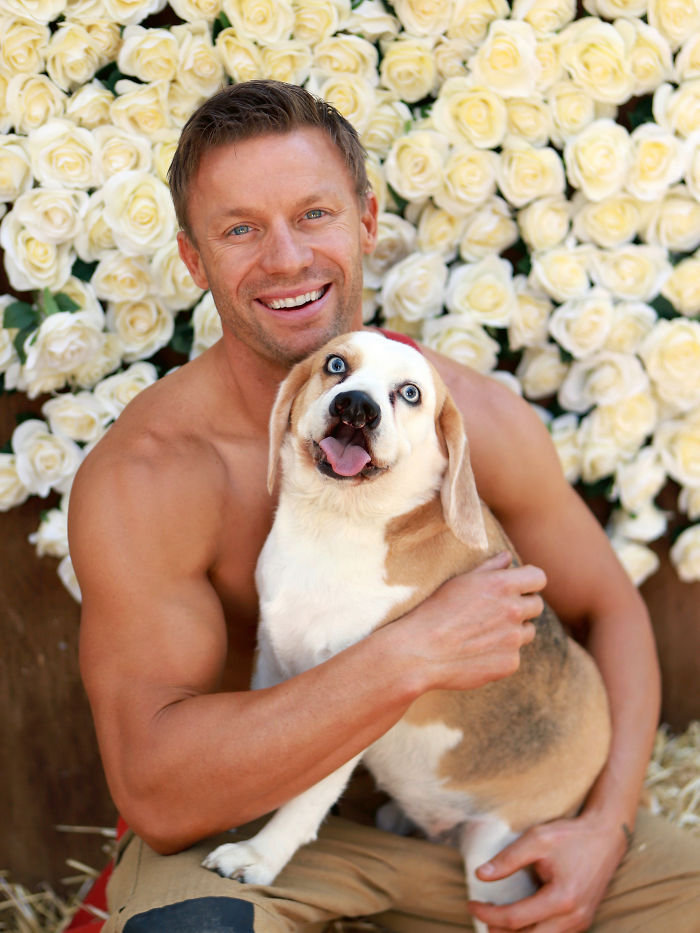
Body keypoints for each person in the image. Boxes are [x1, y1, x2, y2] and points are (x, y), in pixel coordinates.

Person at [68, 80, 700, 933]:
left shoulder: (465, 419)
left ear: (366, 223)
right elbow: (158, 792)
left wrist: (605, 825)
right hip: (264, 842)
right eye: (241, 229)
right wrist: (410, 653)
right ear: (194, 260)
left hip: (491, 823)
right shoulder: (150, 477)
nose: (287, 257)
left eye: (315, 214)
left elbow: (609, 606)